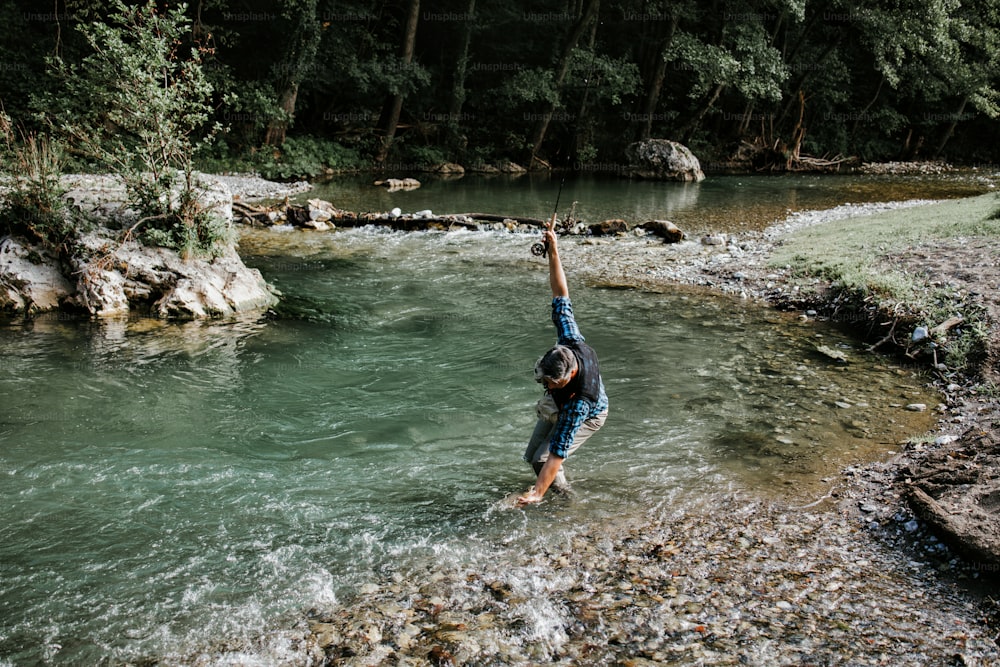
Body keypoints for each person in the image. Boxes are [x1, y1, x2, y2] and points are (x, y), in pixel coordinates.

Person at [516, 224, 609, 507]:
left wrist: (536, 494)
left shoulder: (580, 403)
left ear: (567, 376)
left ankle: (566, 501)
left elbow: (558, 451)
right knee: (532, 455)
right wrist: (553, 250)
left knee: (546, 458)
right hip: (563, 401)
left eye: (549, 383)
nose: (544, 386)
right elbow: (561, 294)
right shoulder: (570, 340)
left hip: (592, 414)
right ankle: (554, 485)